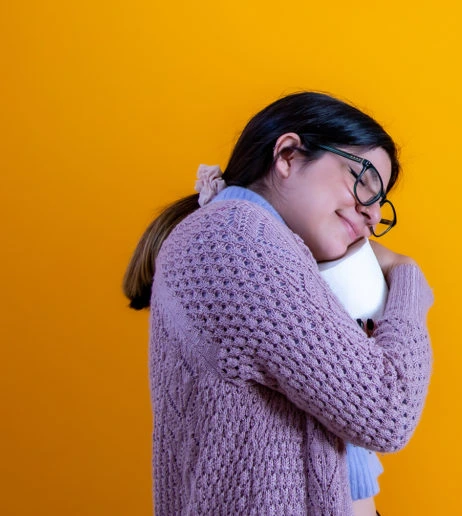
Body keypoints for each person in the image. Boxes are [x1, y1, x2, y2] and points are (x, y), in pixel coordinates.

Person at [123, 91, 433, 515]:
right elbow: (388, 409)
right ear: (287, 155)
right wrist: (408, 279)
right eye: (363, 182)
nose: (373, 215)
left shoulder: (257, 247)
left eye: (380, 205)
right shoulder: (235, 238)